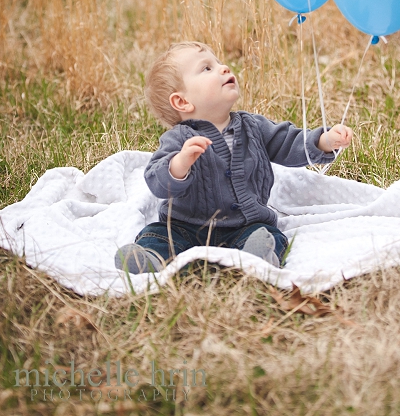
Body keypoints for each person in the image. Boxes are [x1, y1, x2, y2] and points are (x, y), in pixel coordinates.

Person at [115, 41, 353, 274]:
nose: (224, 68)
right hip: (185, 226)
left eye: (218, 62)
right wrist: (180, 164)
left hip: (245, 224)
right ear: (182, 101)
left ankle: (256, 256)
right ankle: (148, 259)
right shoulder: (179, 139)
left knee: (269, 235)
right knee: (157, 235)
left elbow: (289, 142)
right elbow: (157, 181)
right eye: (207, 68)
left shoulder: (253, 126)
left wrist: (325, 141)